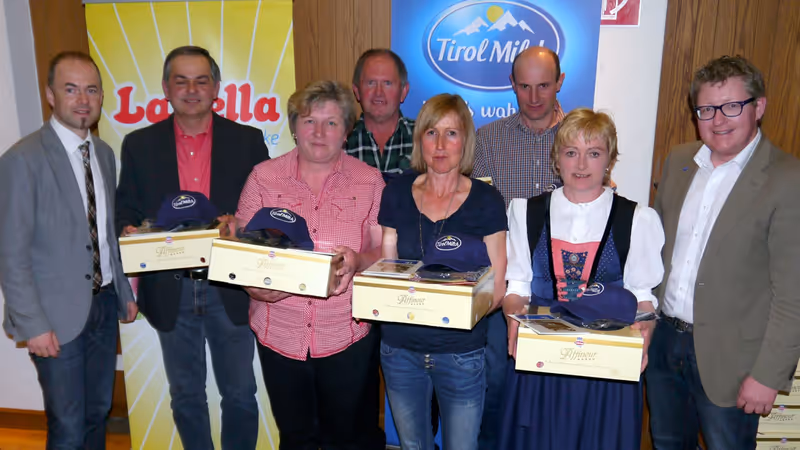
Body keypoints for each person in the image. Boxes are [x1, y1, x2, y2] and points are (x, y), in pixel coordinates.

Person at [115, 46, 268, 450]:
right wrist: (128, 228)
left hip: (230, 286)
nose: (191, 89)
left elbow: (267, 210)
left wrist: (241, 223)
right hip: (171, 287)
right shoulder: (138, 145)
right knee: (185, 396)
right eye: (180, 81)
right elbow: (125, 208)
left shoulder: (248, 141)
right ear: (166, 88)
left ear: (216, 87)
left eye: (201, 80)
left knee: (240, 394)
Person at [646, 55, 800, 449]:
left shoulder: (788, 179)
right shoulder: (680, 161)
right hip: (665, 346)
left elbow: (792, 294)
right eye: (706, 109)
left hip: (734, 363)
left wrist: (768, 375)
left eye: (732, 106)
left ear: (758, 107)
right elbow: (655, 254)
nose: (718, 120)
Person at [500, 108, 664, 449]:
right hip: (542, 362)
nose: (582, 164)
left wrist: (646, 333)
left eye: (594, 153)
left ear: (610, 160)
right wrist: (514, 320)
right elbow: (517, 288)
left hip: (606, 368)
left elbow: (642, 297)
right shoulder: (527, 212)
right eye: (571, 152)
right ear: (557, 158)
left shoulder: (636, 219)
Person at [236, 80, 386, 450]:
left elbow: (383, 251)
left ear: (346, 131)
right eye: (309, 121)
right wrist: (252, 285)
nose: (319, 132)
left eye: (331, 123)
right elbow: (240, 247)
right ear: (294, 127)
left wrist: (359, 260)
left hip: (346, 332)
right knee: (296, 437)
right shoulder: (263, 178)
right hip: (279, 332)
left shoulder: (369, 181)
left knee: (346, 439)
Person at [0, 51, 136, 449]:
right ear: (50, 95)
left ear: (101, 96)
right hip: (54, 316)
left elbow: (106, 233)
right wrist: (32, 324)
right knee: (68, 425)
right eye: (71, 89)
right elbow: (11, 251)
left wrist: (123, 291)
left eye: (91, 90)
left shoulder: (104, 154)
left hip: (103, 305)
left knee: (98, 412)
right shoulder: (21, 159)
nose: (82, 100)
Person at [378, 93, 508, 450]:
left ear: (465, 141)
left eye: (451, 133)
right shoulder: (396, 192)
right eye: (431, 132)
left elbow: (497, 286)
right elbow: (388, 270)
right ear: (419, 138)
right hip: (401, 350)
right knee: (412, 446)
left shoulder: (487, 201)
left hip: (461, 352)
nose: (440, 145)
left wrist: (455, 314)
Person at [470, 45, 566, 450]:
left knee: (554, 387)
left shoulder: (580, 139)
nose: (534, 96)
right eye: (524, 86)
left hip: (565, 287)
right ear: (511, 84)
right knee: (495, 382)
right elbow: (474, 215)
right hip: (505, 284)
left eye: (544, 85)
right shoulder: (488, 139)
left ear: (560, 82)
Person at [347, 48, 414, 176]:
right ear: (357, 91)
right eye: (371, 83)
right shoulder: (339, 141)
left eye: (387, 83)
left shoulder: (425, 139)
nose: (378, 93)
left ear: (403, 91)